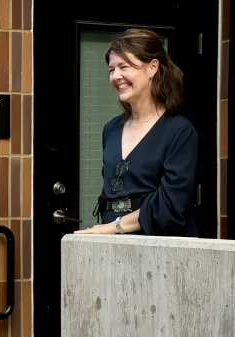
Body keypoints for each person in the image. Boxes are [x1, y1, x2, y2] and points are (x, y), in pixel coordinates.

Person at [77, 28, 198, 237]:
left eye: (124, 66)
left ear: (152, 68)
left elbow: (170, 204)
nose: (116, 76)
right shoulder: (111, 129)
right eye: (111, 69)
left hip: (163, 247)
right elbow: (110, 197)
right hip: (114, 246)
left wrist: (113, 227)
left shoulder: (180, 131)